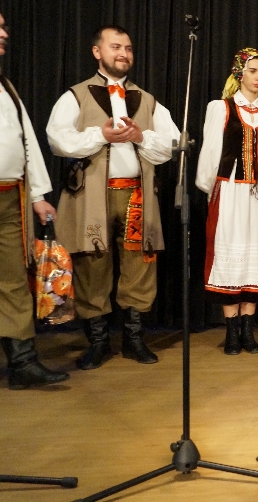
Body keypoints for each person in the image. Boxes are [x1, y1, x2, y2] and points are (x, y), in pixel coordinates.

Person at [47, 25, 180, 370]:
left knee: (139, 266)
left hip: (136, 194)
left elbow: (171, 144)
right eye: (116, 46)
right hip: (92, 196)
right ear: (97, 52)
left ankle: (134, 339)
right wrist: (100, 135)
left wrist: (141, 137)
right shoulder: (76, 96)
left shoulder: (147, 100)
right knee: (92, 265)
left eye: (128, 48)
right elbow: (58, 139)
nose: (123, 53)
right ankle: (98, 341)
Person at [0, 0, 69, 390]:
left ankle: (23, 364)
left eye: (3, 26)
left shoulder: (2, 83)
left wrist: (36, 194)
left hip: (7, 196)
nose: (3, 33)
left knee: (12, 278)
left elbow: (25, 140)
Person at [195, 48, 258, 355]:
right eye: (253, 71)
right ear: (239, 73)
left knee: (254, 260)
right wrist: (213, 191)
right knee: (232, 256)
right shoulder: (221, 108)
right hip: (231, 191)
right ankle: (231, 331)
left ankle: (248, 329)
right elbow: (210, 153)